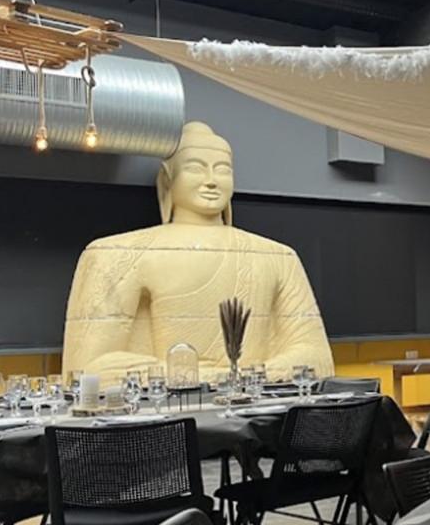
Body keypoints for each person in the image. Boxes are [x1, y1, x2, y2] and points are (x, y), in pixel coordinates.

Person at [62, 121, 334, 384]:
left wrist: (248, 377)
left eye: (223, 170)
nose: (212, 181)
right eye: (195, 168)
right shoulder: (118, 253)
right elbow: (87, 369)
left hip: (256, 409)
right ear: (166, 181)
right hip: (164, 416)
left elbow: (317, 358)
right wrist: (205, 377)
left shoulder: (278, 257)